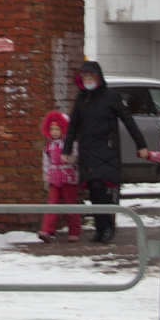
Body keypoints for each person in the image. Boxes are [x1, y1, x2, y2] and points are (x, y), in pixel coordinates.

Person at [61, 61, 147, 243]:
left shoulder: (111, 97)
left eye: (90, 78)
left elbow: (128, 120)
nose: (87, 81)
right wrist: (66, 148)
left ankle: (107, 227)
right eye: (84, 79)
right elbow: (73, 125)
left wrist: (141, 145)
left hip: (107, 150)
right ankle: (101, 229)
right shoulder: (81, 99)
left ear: (98, 78)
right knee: (93, 190)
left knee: (101, 188)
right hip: (87, 149)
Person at [38, 110, 82, 242]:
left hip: (68, 177)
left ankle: (74, 231)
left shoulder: (71, 144)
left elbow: (77, 158)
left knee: (70, 205)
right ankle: (47, 230)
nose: (54, 132)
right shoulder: (48, 146)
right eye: (52, 129)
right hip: (53, 177)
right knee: (52, 204)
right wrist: (46, 178)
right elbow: (46, 162)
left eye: (57, 129)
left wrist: (74, 161)